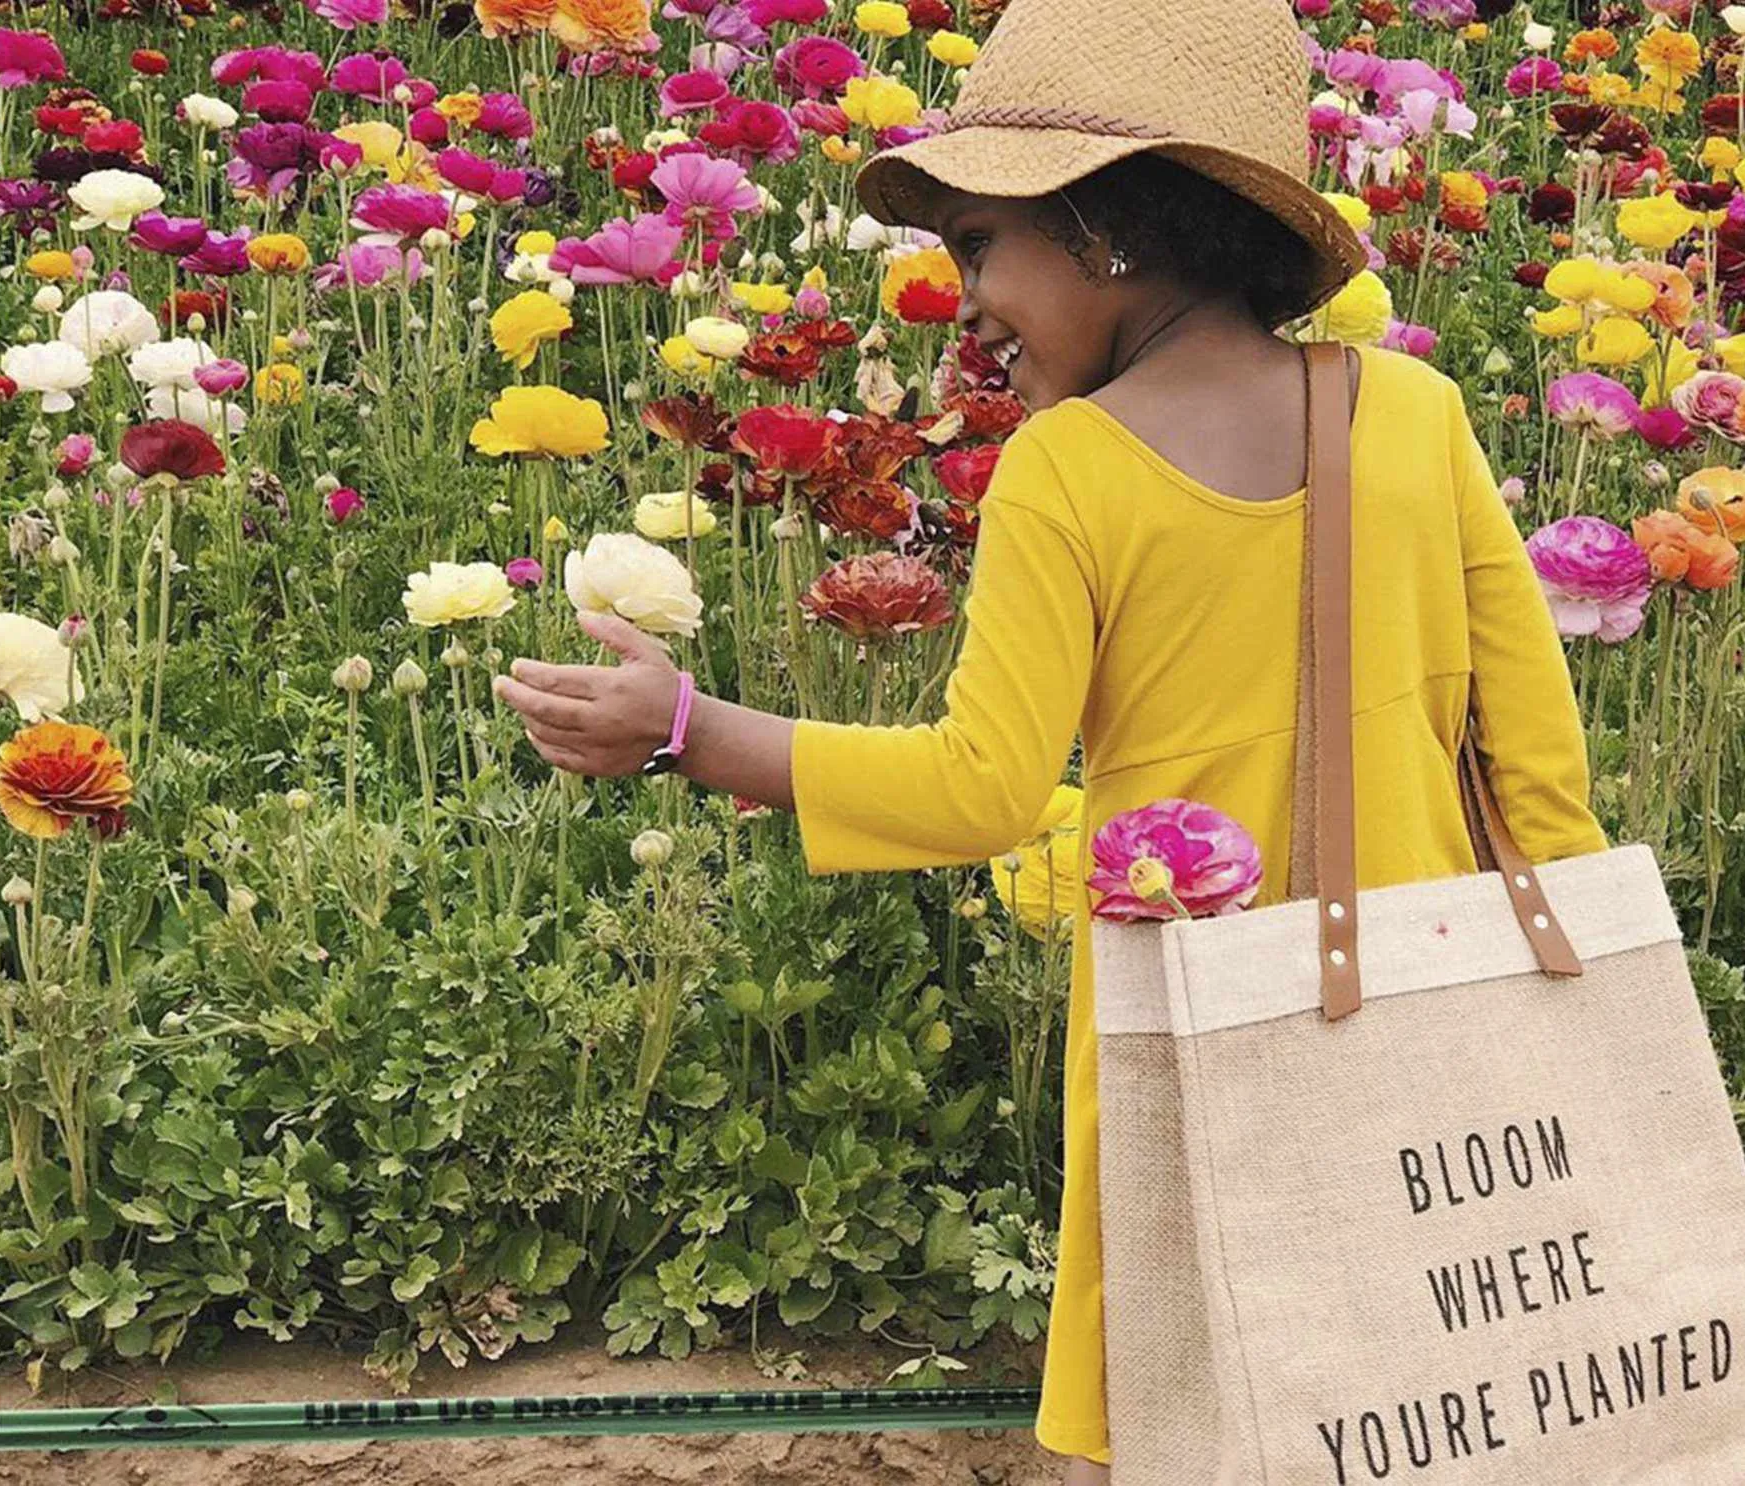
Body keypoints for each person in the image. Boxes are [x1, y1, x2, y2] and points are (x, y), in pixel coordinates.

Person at [493, 0, 1608, 1477]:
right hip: (1436, 1048)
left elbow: (982, 787)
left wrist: (686, 730)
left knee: (1194, 1413)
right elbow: (1537, 772)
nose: (964, 303)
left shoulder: (1068, 474)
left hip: (1201, 1047)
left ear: (1102, 229)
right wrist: (1570, 1032)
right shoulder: (1410, 412)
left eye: (977, 246)